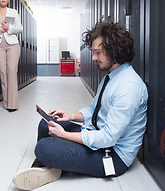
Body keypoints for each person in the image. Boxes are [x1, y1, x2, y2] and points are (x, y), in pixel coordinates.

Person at [12, 20, 148, 190]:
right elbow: (94, 109)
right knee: (46, 123)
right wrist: (70, 116)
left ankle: (48, 162)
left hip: (112, 156)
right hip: (97, 135)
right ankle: (50, 165)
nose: (93, 58)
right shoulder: (112, 77)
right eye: (93, 52)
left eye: (98, 52)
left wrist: (63, 135)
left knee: (44, 146)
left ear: (114, 50)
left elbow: (108, 138)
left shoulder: (129, 86)